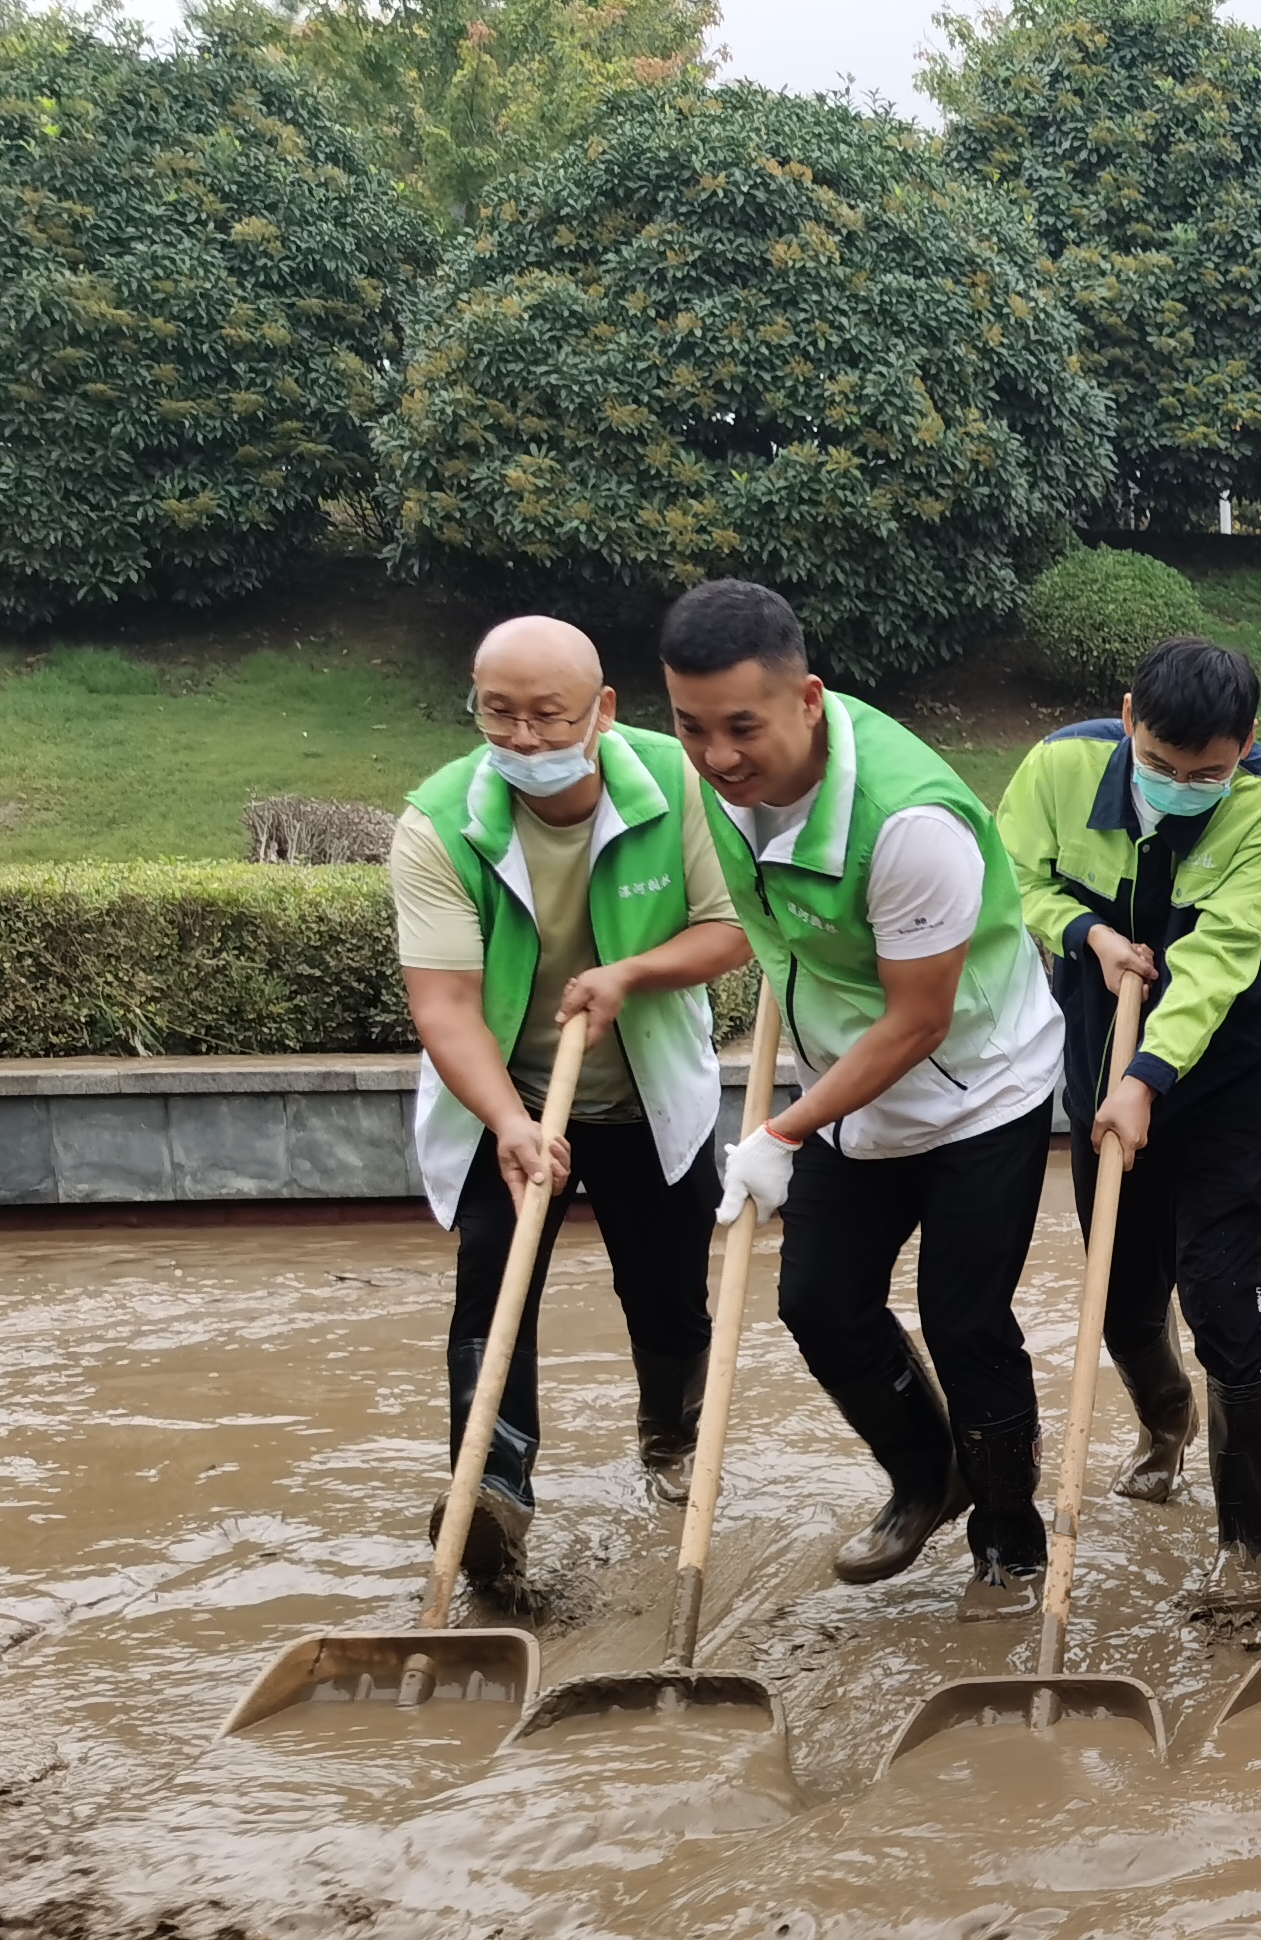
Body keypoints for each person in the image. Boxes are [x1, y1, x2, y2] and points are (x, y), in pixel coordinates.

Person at [665, 578, 1064, 1619]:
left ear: (808, 699)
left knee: (964, 1319)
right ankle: (928, 1475)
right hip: (846, 1083)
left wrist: (781, 1132)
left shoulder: (907, 822)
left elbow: (918, 1021)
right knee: (819, 1303)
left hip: (978, 1085)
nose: (717, 758)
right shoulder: (719, 778)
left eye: (741, 728)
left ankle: (1011, 1543)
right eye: (692, 728)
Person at [394, 615, 755, 1589]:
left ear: (601, 711)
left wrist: (631, 973)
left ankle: (672, 1445)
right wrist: (510, 1124)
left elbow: (731, 930)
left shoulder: (679, 784)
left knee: (670, 1298)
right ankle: (494, 1501)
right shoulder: (439, 822)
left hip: (642, 1092)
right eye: (497, 714)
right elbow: (445, 1003)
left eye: (549, 719)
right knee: (490, 1294)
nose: (522, 741)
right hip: (502, 1097)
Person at [997, 636, 1261, 1616]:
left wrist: (1149, 1076)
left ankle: (1247, 1541)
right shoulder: (1060, 767)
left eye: (1207, 772)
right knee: (1123, 1301)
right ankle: (1165, 1420)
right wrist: (1084, 933)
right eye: (1162, 767)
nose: (1182, 786)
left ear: (1247, 744)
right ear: (1129, 717)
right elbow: (1015, 879)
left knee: (1221, 1296)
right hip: (1098, 1070)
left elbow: (1217, 958)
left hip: (1214, 1085)